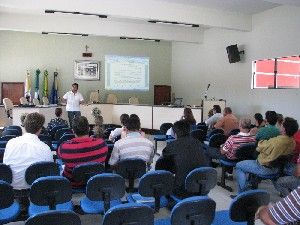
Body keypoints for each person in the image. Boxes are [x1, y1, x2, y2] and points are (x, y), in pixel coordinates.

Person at [236, 117, 299, 193]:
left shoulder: (277, 141)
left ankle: (242, 193)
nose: (280, 126)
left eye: (282, 124)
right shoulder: (293, 142)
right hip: (278, 169)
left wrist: (263, 141)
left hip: (265, 168)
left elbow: (259, 147)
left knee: (239, 165)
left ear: (284, 129)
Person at [3, 112, 53, 208]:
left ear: (24, 126)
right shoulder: (45, 148)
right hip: (36, 190)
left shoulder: (10, 143)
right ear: (40, 129)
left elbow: (6, 165)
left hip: (12, 189)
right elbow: (48, 173)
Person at [162, 120, 208, 198]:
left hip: (182, 190)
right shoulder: (199, 143)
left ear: (175, 133)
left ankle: (169, 198)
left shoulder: (172, 145)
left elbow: (161, 163)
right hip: (202, 186)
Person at [58, 116, 108, 188]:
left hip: (73, 184)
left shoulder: (63, 147)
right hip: (95, 182)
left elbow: (60, 158)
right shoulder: (102, 144)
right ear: (89, 128)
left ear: (73, 131)